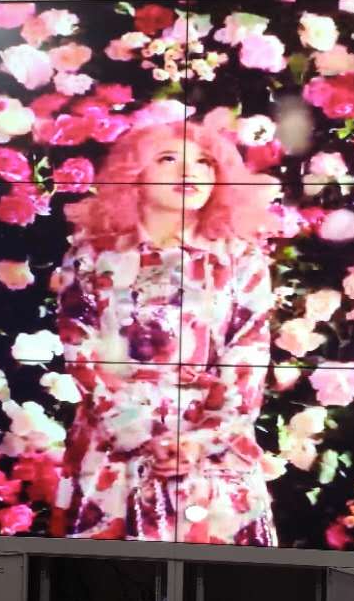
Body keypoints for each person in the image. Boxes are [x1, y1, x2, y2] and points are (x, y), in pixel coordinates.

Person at [52, 120, 279, 545]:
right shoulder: (92, 255)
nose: (189, 172)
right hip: (116, 443)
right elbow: (79, 347)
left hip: (210, 451)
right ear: (134, 174)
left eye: (204, 162)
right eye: (168, 159)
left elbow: (249, 352)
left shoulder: (241, 258)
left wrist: (204, 439)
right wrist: (137, 433)